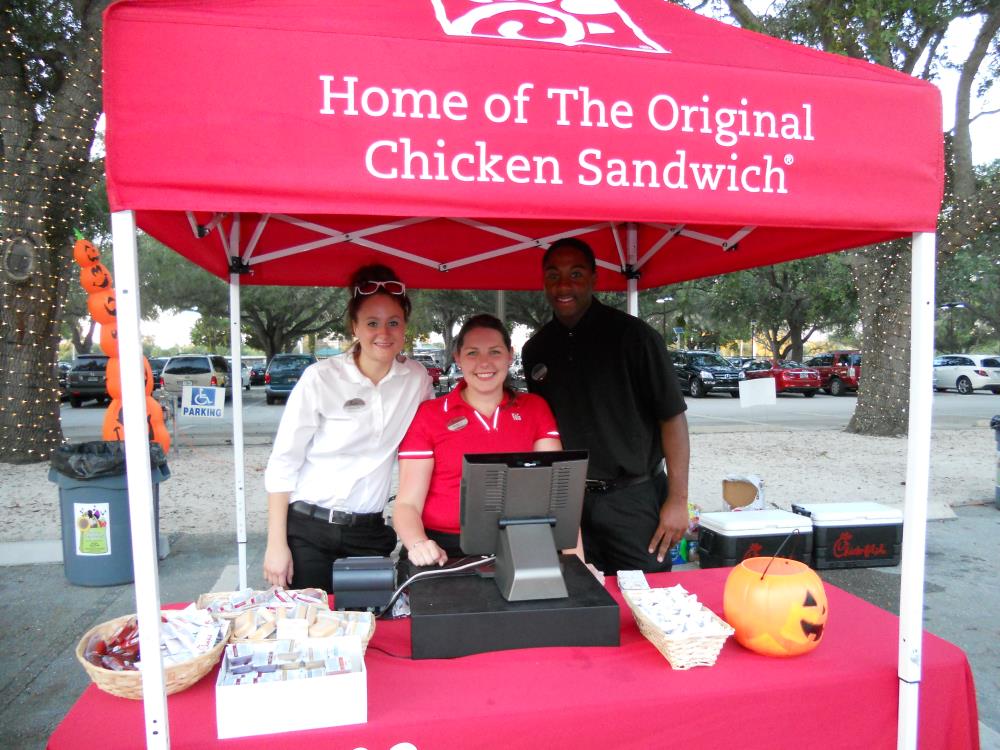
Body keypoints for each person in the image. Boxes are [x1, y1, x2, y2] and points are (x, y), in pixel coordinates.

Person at [521, 237, 690, 575]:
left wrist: (677, 500)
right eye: (553, 275)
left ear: (595, 278)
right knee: (577, 600)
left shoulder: (635, 338)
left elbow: (673, 420)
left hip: (633, 499)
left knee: (645, 601)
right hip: (568, 502)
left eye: (576, 274)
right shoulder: (536, 349)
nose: (563, 285)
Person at [262, 264, 433, 589]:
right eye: (372, 323)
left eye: (393, 323)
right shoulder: (321, 378)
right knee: (311, 631)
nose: (384, 333)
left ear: (405, 327)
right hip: (308, 530)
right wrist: (275, 544)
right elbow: (284, 462)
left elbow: (428, 440)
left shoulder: (416, 379)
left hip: (368, 534)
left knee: (371, 630)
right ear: (354, 326)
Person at [393, 314, 562, 567]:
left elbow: (558, 494)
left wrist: (577, 562)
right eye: (472, 353)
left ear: (509, 355)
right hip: (443, 550)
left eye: (495, 352)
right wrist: (418, 544)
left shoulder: (535, 409)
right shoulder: (430, 414)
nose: (484, 363)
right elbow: (406, 504)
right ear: (458, 357)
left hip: (520, 543)